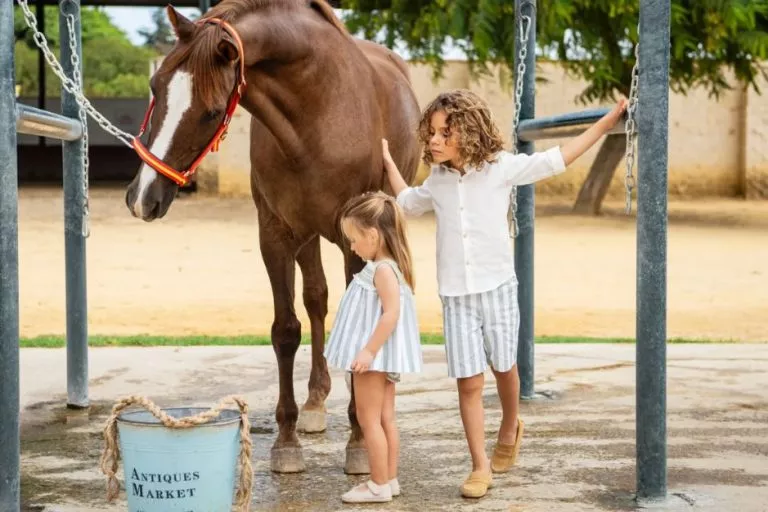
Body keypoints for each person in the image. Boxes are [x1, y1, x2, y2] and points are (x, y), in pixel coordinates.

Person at [383, 89, 628, 498]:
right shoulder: (437, 181)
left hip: (497, 287)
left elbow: (557, 159)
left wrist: (605, 123)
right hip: (456, 296)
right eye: (432, 133)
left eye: (445, 132)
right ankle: (480, 466)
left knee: (504, 368)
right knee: (468, 382)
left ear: (470, 129)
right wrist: (390, 164)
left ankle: (511, 424)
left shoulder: (500, 168)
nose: (435, 141)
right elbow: (406, 203)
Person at [324, 191, 422, 503]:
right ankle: (389, 479)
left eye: (354, 239)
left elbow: (391, 314)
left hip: (373, 359)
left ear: (372, 235)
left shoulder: (382, 270)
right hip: (381, 358)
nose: (352, 246)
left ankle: (378, 484)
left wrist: (367, 351)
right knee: (384, 419)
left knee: (369, 420)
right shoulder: (389, 266)